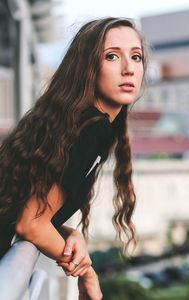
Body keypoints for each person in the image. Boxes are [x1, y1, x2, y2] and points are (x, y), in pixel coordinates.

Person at [0, 17, 148, 299]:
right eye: (112, 56)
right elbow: (30, 223)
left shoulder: (72, 122)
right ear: (88, 68)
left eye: (137, 57)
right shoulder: (91, 129)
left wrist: (68, 234)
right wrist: (87, 272)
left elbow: (25, 207)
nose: (129, 69)